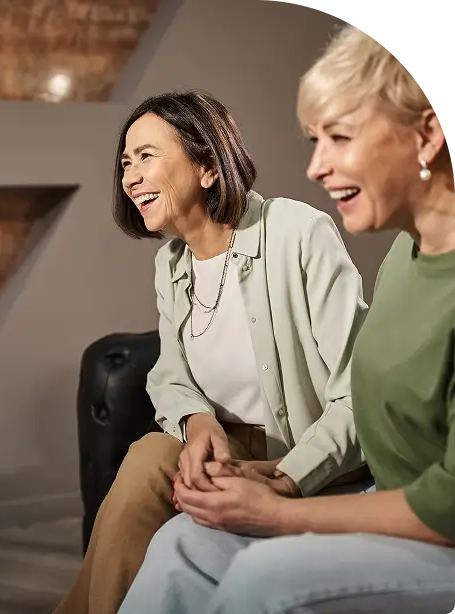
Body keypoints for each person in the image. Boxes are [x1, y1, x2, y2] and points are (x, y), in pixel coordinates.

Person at [116, 26, 455, 614]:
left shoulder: (300, 232)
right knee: (180, 544)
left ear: (426, 136)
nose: (315, 167)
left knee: (264, 576)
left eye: (339, 137)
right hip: (382, 496)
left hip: (419, 519)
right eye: (314, 141)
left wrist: (282, 500)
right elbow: (172, 372)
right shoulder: (404, 256)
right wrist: (252, 465)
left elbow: (434, 491)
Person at [54, 89, 370, 614]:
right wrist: (198, 422)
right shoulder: (171, 264)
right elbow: (170, 374)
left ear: (207, 167)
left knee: (149, 464)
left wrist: (287, 477)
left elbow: (360, 392)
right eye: (126, 162)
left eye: (146, 156)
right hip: (230, 451)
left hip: (311, 456)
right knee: (150, 456)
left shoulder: (298, 232)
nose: (130, 177)